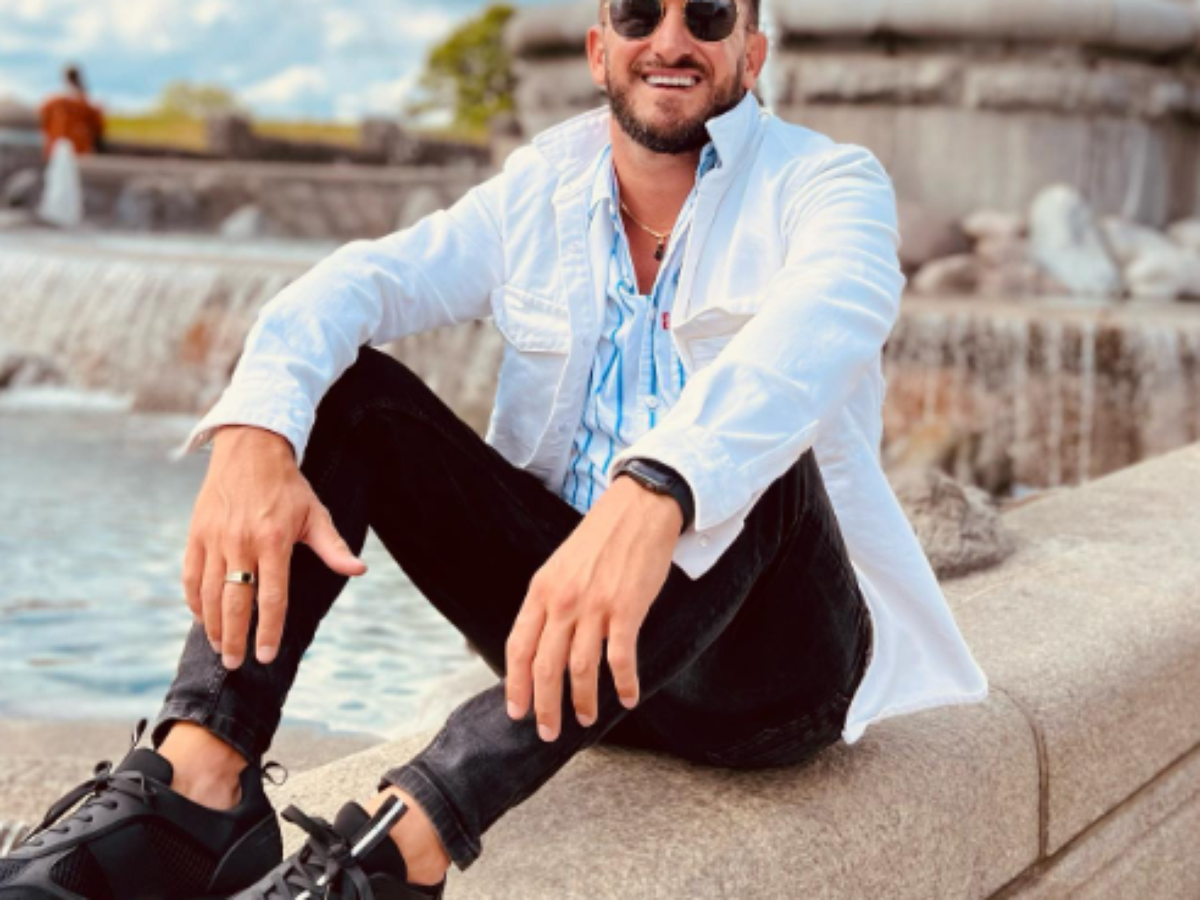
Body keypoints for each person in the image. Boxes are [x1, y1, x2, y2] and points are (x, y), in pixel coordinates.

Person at [1, 1, 989, 898]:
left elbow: (818, 327)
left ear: (752, 53)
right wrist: (256, 428)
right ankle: (197, 790)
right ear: (599, 49)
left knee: (756, 456)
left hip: (766, 679)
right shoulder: (539, 191)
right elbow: (362, 284)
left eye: (708, 14)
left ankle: (404, 843)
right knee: (347, 393)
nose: (671, 38)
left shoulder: (828, 184)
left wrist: (655, 490)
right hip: (570, 650)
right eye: (639, 13)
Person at [38, 65, 105, 161]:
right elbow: (98, 127)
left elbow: (42, 120)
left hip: (57, 146)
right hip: (80, 148)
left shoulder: (54, 101)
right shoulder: (85, 102)